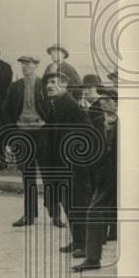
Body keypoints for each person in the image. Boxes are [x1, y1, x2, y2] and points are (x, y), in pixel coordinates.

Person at [3, 55, 54, 227]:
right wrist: (13, 134)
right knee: (28, 176)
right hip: (22, 134)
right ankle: (29, 215)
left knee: (49, 175)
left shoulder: (43, 86)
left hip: (42, 134)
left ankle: (55, 214)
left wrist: (49, 130)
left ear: (36, 66)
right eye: (23, 64)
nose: (25, 67)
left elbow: (52, 110)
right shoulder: (15, 87)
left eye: (29, 64)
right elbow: (7, 112)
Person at [44, 72, 91, 248]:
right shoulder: (55, 105)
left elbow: (87, 131)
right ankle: (78, 241)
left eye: (54, 82)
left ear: (64, 85)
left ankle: (85, 244)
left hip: (73, 166)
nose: (49, 86)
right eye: (48, 82)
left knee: (77, 204)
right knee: (69, 204)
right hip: (60, 165)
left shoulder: (71, 106)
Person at [74, 93, 117, 272]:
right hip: (106, 177)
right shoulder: (100, 121)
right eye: (102, 100)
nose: (103, 102)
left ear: (117, 103)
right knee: (94, 212)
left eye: (108, 100)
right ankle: (92, 258)